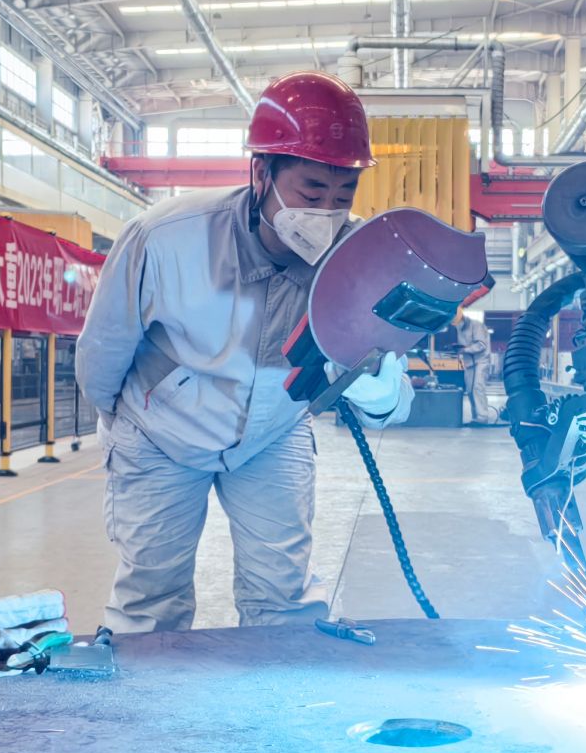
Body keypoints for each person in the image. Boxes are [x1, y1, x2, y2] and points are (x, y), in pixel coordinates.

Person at [77, 71, 413, 633]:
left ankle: (278, 690)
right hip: (160, 435)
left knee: (283, 601)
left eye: (344, 196)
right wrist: (128, 429)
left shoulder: (355, 258)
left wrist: (381, 393)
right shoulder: (164, 238)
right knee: (151, 604)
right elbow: (102, 353)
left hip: (273, 433)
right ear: (261, 173)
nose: (327, 213)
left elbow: (393, 396)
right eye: (311, 193)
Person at [455, 308, 494, 424]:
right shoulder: (459, 328)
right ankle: (475, 417)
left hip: (481, 361)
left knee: (478, 387)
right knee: (470, 390)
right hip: (469, 362)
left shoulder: (476, 325)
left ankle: (483, 417)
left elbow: (481, 345)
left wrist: (465, 349)